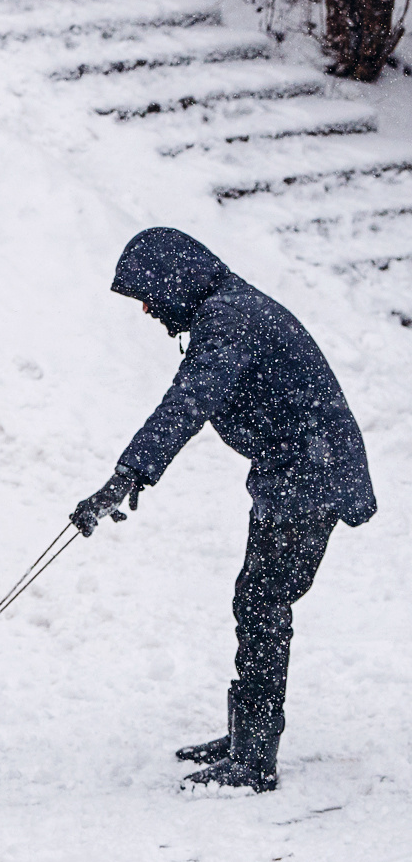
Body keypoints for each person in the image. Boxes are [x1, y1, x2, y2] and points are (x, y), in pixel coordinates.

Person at [71, 227, 375, 793]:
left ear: (172, 281)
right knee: (256, 600)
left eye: (146, 294)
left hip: (312, 475)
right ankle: (244, 739)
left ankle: (254, 760)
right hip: (296, 473)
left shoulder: (229, 319)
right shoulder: (227, 308)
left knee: (262, 606)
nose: (145, 309)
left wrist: (129, 474)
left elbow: (190, 398)